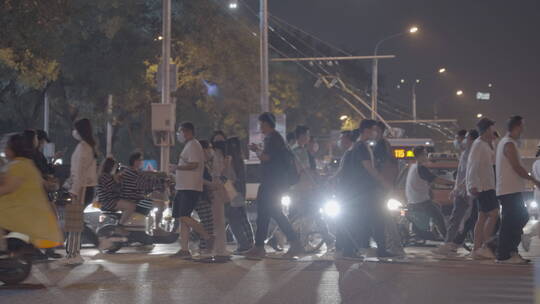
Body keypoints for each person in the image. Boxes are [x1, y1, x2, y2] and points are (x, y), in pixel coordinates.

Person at [246, 112, 302, 259]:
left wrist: (256, 150)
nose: (259, 127)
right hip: (273, 183)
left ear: (265, 123)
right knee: (264, 215)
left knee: (273, 213)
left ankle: (294, 243)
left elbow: (266, 158)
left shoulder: (273, 139)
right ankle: (259, 247)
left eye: (260, 123)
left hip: (272, 183)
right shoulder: (275, 138)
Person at [0, 133, 63, 252]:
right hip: (27, 210)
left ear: (13, 149)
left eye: (7, 147)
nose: (4, 150)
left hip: (18, 211)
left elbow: (8, 187)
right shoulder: (26, 163)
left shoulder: (18, 165)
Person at [495, 116, 540, 264]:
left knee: (518, 218)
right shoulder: (508, 144)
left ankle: (509, 251)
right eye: (522, 126)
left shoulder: (507, 143)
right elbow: (516, 166)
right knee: (513, 220)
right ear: (516, 126)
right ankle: (504, 254)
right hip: (508, 189)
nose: (523, 129)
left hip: (510, 188)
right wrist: (533, 180)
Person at [348, 120, 394, 258]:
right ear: (366, 130)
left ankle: (366, 246)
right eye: (373, 130)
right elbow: (369, 168)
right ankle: (378, 248)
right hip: (367, 190)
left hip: (364, 190)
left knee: (367, 219)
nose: (375, 133)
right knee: (377, 218)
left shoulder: (362, 146)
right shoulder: (361, 147)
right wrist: (384, 182)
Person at [170, 122, 214, 259]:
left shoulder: (194, 145)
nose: (179, 135)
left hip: (190, 187)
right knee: (182, 219)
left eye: (180, 132)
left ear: (187, 132)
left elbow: (194, 164)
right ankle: (184, 249)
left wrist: (177, 168)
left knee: (184, 216)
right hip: (183, 186)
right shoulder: (189, 145)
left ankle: (208, 236)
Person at [433, 129, 479, 256]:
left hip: (467, 191)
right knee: (463, 219)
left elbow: (469, 173)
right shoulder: (465, 153)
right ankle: (452, 244)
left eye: (459, 139)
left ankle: (452, 244)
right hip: (462, 191)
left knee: (469, 219)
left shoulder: (471, 153)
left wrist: (459, 187)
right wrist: (456, 188)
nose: (457, 142)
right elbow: (461, 174)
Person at [60, 118, 98, 266]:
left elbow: (79, 173)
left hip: (81, 189)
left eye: (75, 129)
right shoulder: (87, 146)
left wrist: (74, 190)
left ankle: (73, 254)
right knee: (74, 222)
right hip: (83, 188)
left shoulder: (83, 147)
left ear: (80, 130)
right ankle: (73, 253)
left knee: (74, 224)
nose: (73, 132)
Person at [466, 118, 499, 260]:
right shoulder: (479, 144)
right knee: (494, 214)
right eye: (492, 129)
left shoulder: (486, 144)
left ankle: (476, 249)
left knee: (482, 217)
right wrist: (472, 185)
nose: (494, 131)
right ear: (486, 130)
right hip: (483, 186)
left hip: (487, 185)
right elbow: (472, 165)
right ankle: (485, 247)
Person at [405, 146, 454, 241]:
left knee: (437, 207)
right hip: (421, 201)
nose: (426, 156)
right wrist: (453, 183)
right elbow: (436, 179)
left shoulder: (413, 167)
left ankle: (431, 232)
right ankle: (448, 241)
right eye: (425, 154)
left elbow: (426, 181)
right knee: (439, 218)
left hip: (413, 200)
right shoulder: (421, 168)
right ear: (420, 155)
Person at [373, 121, 404, 257]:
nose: (372, 133)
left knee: (384, 216)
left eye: (374, 130)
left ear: (379, 130)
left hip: (382, 185)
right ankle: (392, 245)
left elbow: (380, 165)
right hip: (386, 184)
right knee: (383, 216)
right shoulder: (384, 144)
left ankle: (395, 246)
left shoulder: (381, 145)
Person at [225, 137, 254, 253]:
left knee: (233, 220)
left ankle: (243, 244)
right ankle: (249, 242)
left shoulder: (230, 160)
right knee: (242, 218)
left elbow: (230, 178)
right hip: (240, 192)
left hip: (232, 191)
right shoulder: (240, 159)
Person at [96, 157, 136, 234]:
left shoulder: (106, 176)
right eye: (115, 166)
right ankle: (120, 225)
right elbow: (115, 189)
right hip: (109, 201)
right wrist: (117, 179)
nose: (116, 168)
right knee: (131, 206)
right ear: (110, 167)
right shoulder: (105, 177)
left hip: (110, 199)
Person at [209, 130, 232, 258]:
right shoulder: (212, 154)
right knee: (217, 220)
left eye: (221, 141)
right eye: (217, 141)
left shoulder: (224, 156)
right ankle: (218, 249)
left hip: (220, 187)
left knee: (219, 220)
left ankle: (220, 248)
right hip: (214, 187)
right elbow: (217, 173)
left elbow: (226, 175)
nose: (219, 143)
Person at [120, 152, 162, 221]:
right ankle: (157, 227)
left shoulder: (133, 171)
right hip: (134, 200)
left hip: (135, 198)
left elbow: (145, 181)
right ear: (135, 161)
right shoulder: (132, 172)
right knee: (160, 205)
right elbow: (143, 184)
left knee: (156, 201)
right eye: (140, 160)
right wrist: (159, 184)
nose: (142, 162)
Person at [195, 140, 215, 255]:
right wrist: (211, 185)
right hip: (200, 196)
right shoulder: (199, 162)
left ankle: (203, 247)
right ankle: (203, 248)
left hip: (204, 195)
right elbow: (199, 179)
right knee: (207, 222)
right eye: (209, 147)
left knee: (207, 222)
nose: (210, 150)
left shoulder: (205, 163)